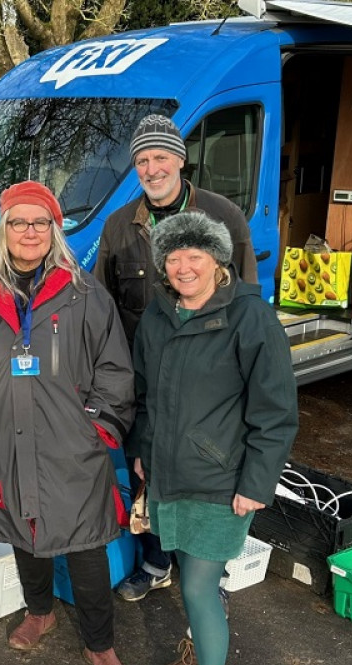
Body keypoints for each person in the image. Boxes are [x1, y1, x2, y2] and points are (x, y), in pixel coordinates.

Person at [0, 180, 135, 665]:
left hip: (71, 442)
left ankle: (101, 645)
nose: (29, 232)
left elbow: (115, 369)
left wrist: (97, 426)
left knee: (86, 542)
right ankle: (40, 612)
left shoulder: (85, 293)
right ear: (2, 231)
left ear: (55, 229)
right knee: (22, 528)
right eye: (18, 222)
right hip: (3, 437)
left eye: (40, 222)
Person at [130, 210, 297, 665]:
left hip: (222, 478)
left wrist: (256, 482)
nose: (183, 266)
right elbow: (143, 396)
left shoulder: (251, 317)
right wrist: (141, 452)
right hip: (167, 470)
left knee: (201, 584)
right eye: (173, 256)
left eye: (194, 254)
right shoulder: (158, 317)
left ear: (218, 259)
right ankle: (198, 647)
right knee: (182, 569)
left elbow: (275, 411)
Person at [95, 113, 259, 603]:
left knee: (204, 467)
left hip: (207, 377)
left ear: (180, 160)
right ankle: (154, 559)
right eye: (142, 160)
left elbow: (247, 299)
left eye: (160, 156)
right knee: (145, 466)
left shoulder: (223, 215)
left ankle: (205, 567)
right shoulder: (119, 226)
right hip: (140, 378)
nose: (151, 168)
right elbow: (104, 309)